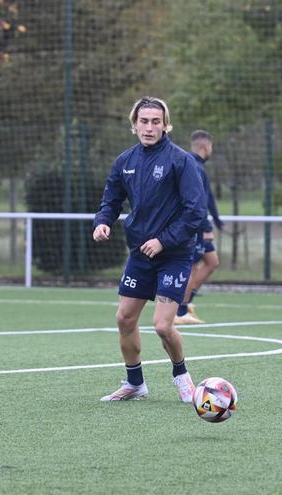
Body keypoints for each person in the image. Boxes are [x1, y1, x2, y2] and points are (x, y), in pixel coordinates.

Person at [93, 96, 206, 402]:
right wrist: (102, 222)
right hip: (141, 255)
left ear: (165, 125)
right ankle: (135, 384)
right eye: (144, 121)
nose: (149, 127)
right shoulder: (124, 162)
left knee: (162, 326)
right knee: (124, 319)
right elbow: (111, 201)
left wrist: (163, 240)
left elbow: (196, 212)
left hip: (174, 255)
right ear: (134, 124)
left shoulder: (181, 161)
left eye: (156, 121)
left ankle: (182, 376)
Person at [174, 130, 224, 325]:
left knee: (212, 261)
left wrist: (218, 220)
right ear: (205, 147)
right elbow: (198, 202)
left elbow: (208, 197)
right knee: (192, 267)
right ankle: (180, 311)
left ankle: (187, 302)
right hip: (195, 226)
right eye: (211, 146)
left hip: (199, 223)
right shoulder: (193, 166)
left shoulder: (198, 166)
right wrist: (206, 226)